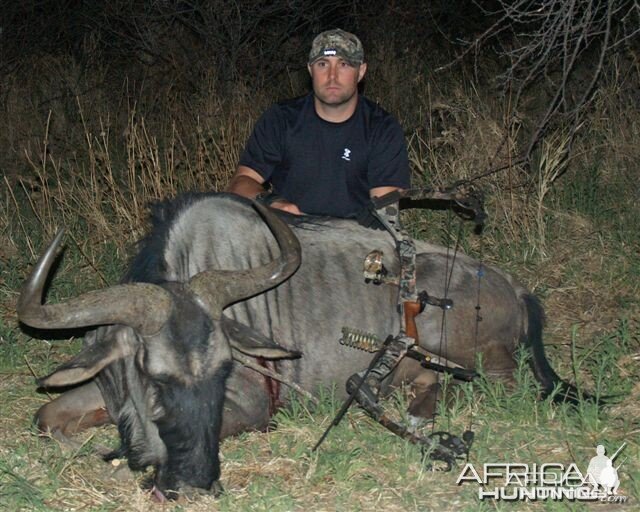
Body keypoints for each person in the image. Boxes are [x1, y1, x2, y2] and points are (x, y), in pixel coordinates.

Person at [226, 28, 410, 218]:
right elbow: (241, 182)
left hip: (355, 237)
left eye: (344, 64)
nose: (332, 76)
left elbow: (385, 211)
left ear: (361, 71)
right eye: (323, 64)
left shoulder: (382, 128)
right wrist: (272, 203)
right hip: (290, 232)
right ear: (310, 70)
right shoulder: (281, 119)